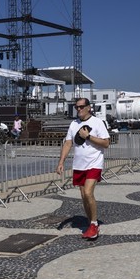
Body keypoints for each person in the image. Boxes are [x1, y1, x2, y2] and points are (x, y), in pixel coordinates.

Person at [55, 97, 110, 240]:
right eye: (76, 107)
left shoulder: (97, 123)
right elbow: (68, 143)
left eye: (81, 107)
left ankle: (93, 224)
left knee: (88, 192)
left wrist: (88, 136)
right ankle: (90, 221)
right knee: (83, 196)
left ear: (88, 108)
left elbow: (106, 143)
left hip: (94, 163)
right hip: (79, 165)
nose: (78, 109)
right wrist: (61, 161)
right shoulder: (73, 124)